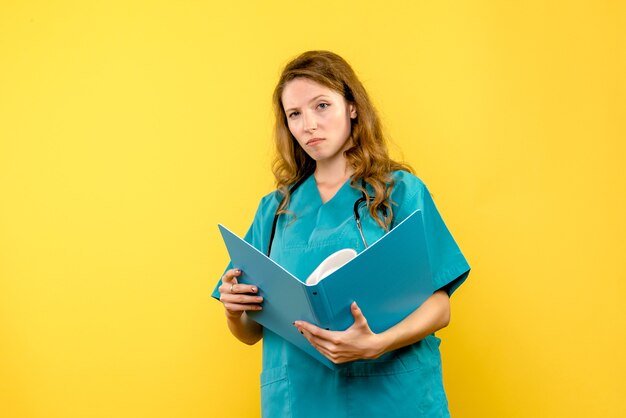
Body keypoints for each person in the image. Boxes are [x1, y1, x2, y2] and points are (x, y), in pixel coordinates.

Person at [212, 50, 470, 417]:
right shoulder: (273, 211)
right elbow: (250, 333)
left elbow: (439, 306)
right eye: (294, 114)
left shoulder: (400, 192)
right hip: (301, 401)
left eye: (321, 106)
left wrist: (377, 344)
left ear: (351, 107)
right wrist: (233, 311)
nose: (308, 125)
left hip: (393, 398)